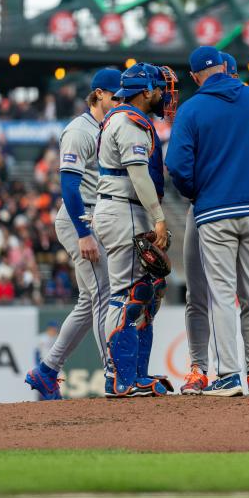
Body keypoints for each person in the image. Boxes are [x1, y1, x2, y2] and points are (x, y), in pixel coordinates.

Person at [166, 46, 249, 397]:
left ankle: (230, 375)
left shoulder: (191, 108)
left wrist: (195, 192)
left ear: (193, 76)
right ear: (225, 67)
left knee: (220, 294)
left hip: (216, 209)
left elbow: (176, 165)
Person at [25, 69, 119, 401]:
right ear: (98, 95)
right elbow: (68, 184)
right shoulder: (80, 130)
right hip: (80, 218)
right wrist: (83, 232)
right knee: (103, 293)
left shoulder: (110, 126)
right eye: (115, 95)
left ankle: (47, 370)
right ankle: (115, 373)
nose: (120, 100)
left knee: (89, 298)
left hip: (100, 214)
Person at [93, 62, 175, 397]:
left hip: (124, 208)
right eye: (157, 88)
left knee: (145, 291)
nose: (161, 94)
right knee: (127, 293)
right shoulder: (129, 121)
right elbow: (138, 174)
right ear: (144, 91)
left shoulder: (125, 117)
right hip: (123, 208)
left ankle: (134, 375)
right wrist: (158, 217)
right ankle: (118, 376)